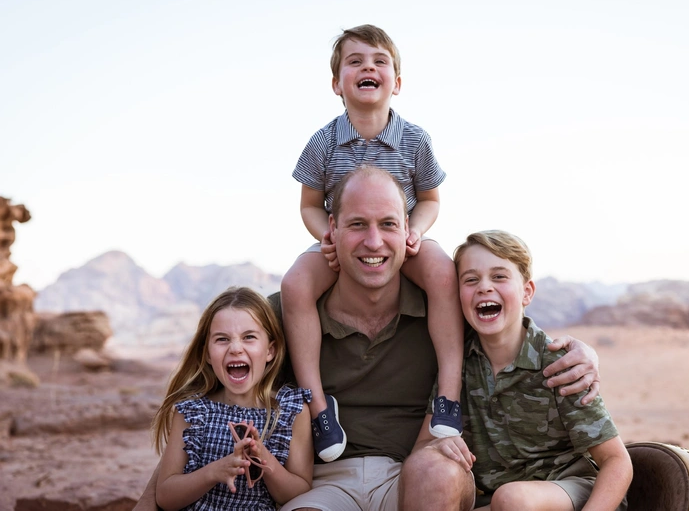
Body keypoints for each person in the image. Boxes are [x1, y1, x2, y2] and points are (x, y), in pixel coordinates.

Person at [134, 166, 601, 511]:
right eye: (357, 224)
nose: (373, 241)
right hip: (323, 484)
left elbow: (509, 329)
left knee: (437, 470)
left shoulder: (444, 312)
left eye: (388, 225)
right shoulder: (287, 318)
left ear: (408, 234)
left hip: (415, 477)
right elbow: (208, 401)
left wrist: (584, 352)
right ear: (331, 231)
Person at [281, 24, 465, 463]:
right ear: (336, 83)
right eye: (356, 61)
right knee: (294, 285)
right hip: (344, 243)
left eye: (380, 61)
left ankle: (450, 396)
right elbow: (308, 204)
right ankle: (319, 408)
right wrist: (323, 235)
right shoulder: (323, 141)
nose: (369, 67)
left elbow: (430, 198)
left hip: (401, 239)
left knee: (442, 271)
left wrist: (414, 230)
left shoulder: (415, 140)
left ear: (396, 83)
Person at [408, 230, 633, 510]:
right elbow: (421, 449)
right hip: (500, 502)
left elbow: (616, 461)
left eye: (499, 276)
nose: (484, 287)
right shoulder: (459, 365)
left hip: (571, 491)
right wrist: (437, 447)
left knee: (513, 498)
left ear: (527, 292)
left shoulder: (558, 364)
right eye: (471, 279)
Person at [151, 286, 313, 510]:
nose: (236, 348)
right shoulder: (193, 411)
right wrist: (213, 472)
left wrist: (264, 460)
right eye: (222, 339)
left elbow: (297, 493)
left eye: (249, 337)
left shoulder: (290, 411)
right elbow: (165, 497)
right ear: (207, 353)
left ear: (270, 350)